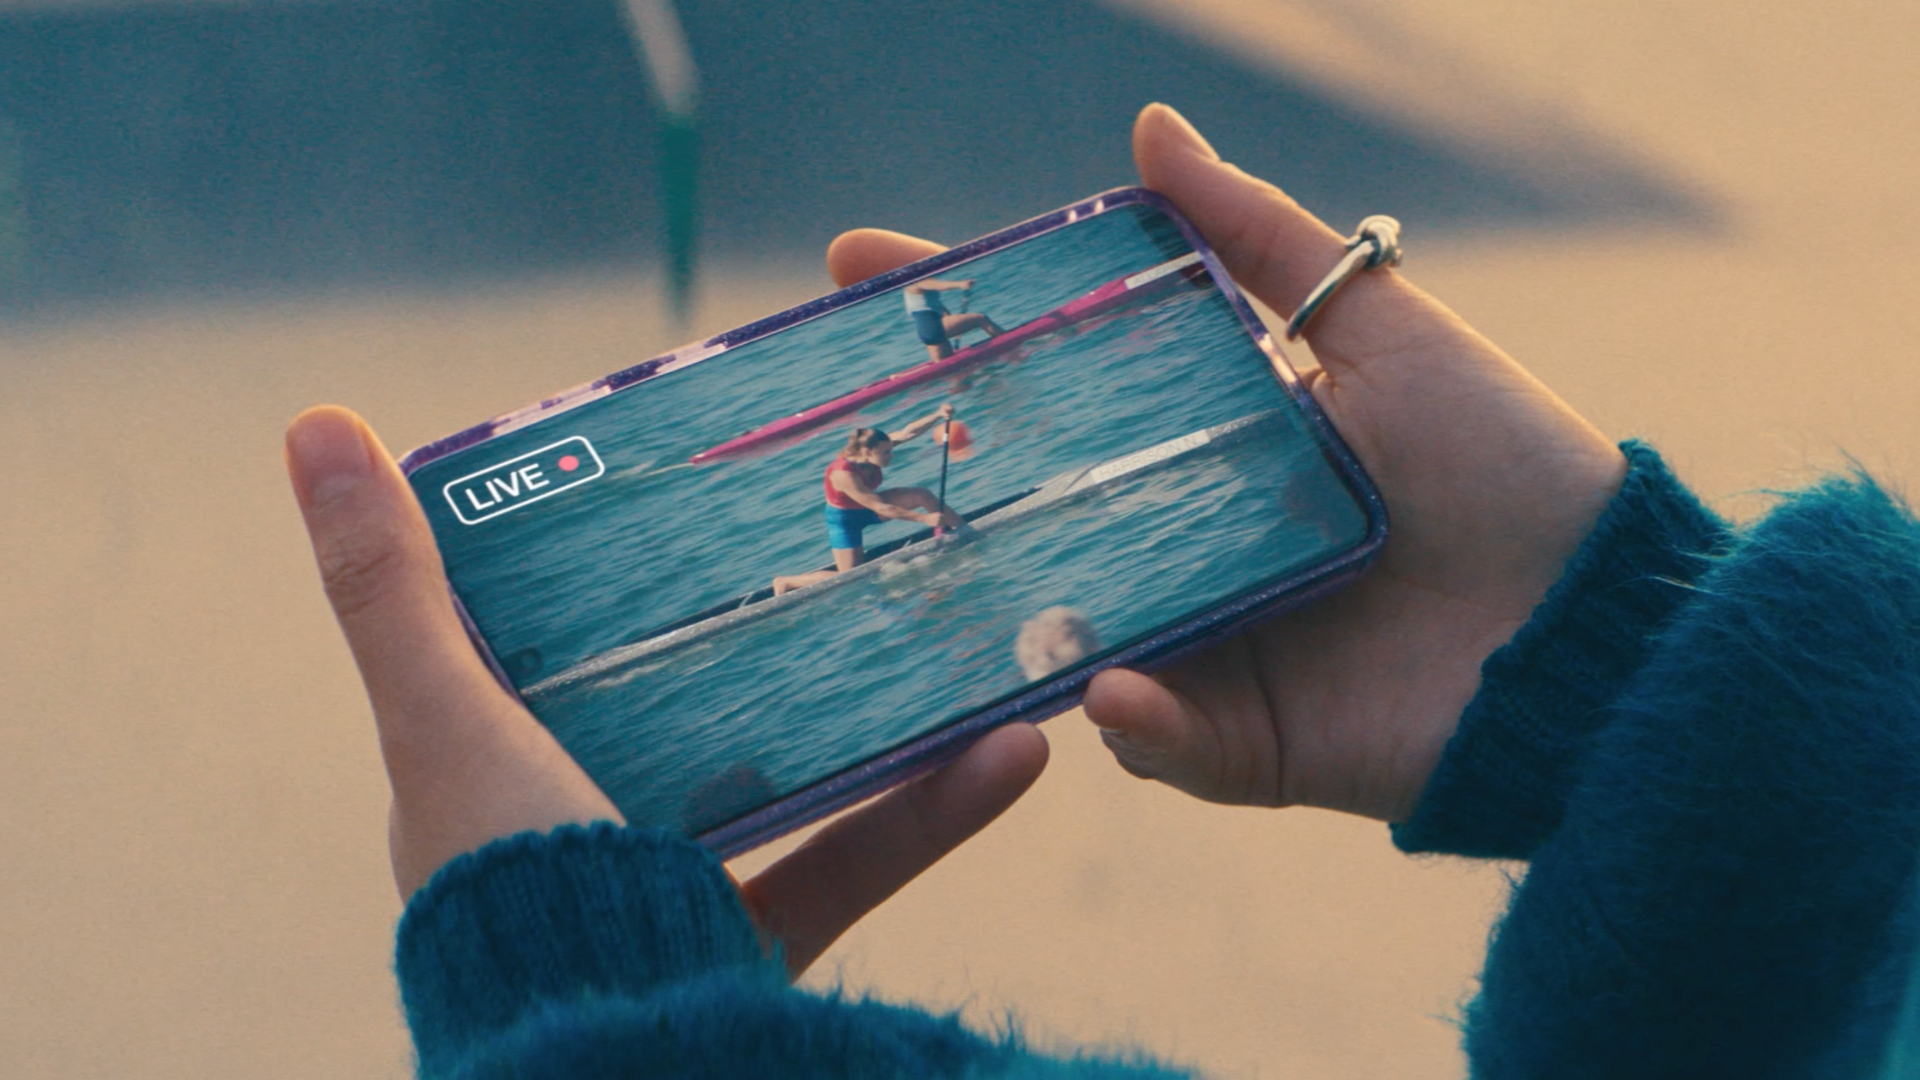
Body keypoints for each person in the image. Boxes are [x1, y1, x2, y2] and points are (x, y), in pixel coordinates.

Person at [285, 102, 1920, 1078]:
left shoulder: (878, 475)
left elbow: (910, 487)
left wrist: (599, 1024)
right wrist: (1632, 675)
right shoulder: (858, 481)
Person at [770, 405, 966, 596]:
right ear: (866, 451)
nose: (891, 455)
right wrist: (924, 519)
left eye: (890, 450)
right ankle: (787, 581)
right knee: (850, 577)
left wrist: (938, 415)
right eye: (886, 453)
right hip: (845, 520)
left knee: (922, 495)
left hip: (872, 505)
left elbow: (907, 433)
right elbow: (881, 507)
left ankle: (961, 529)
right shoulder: (843, 474)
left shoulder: (874, 450)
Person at [904, 277, 1005, 361]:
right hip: (934, 327)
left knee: (947, 365)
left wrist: (948, 316)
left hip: (925, 331)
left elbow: (932, 306)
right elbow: (938, 285)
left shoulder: (913, 290)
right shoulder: (918, 282)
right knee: (980, 318)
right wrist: (960, 284)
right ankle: (1007, 343)